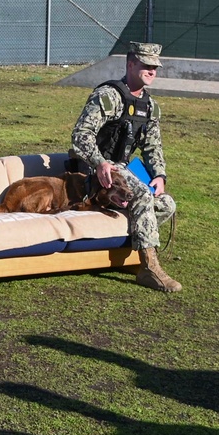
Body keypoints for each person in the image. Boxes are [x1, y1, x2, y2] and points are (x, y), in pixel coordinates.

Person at [70, 41, 181, 292]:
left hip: (124, 171)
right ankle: (150, 269)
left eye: (155, 67)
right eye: (146, 65)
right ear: (131, 64)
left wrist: (160, 175)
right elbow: (80, 135)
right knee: (141, 194)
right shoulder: (108, 96)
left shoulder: (150, 106)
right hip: (95, 173)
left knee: (167, 204)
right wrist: (99, 163)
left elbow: (153, 147)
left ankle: (126, 250)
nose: (152, 70)